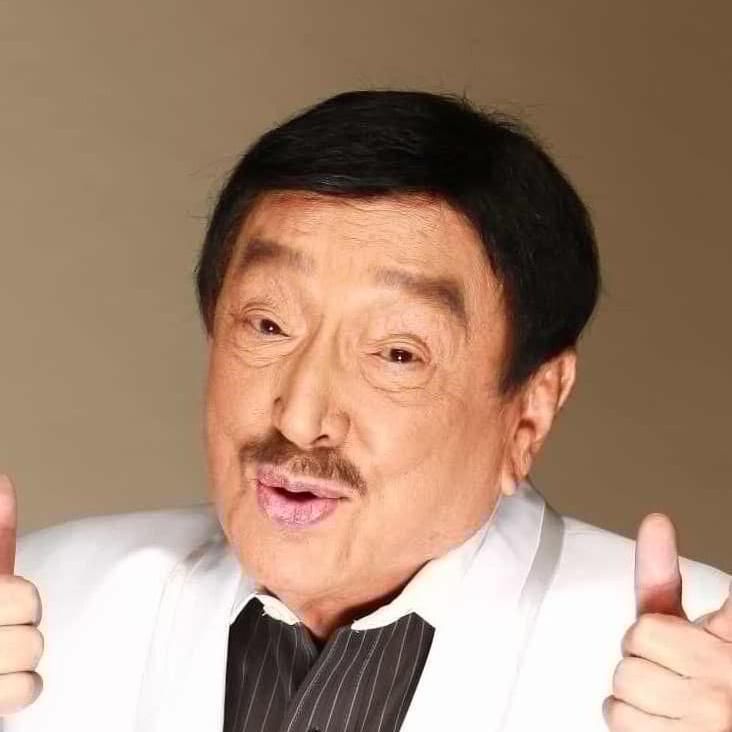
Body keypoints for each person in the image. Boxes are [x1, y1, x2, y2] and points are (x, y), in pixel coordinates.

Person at [1, 90, 730, 732]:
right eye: (268, 324)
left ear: (530, 413)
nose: (300, 419)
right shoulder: (42, 602)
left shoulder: (703, 671)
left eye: (397, 354)